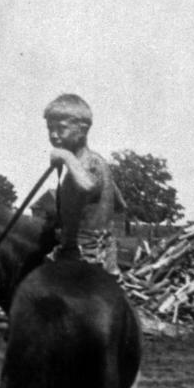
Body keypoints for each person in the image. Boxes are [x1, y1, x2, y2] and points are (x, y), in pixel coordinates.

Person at [43, 93, 125, 273]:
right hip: (88, 255)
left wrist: (65, 156)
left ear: (83, 129)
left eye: (61, 128)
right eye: (50, 128)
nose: (53, 135)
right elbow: (120, 205)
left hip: (87, 260)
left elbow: (87, 185)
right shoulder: (92, 164)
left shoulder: (89, 162)